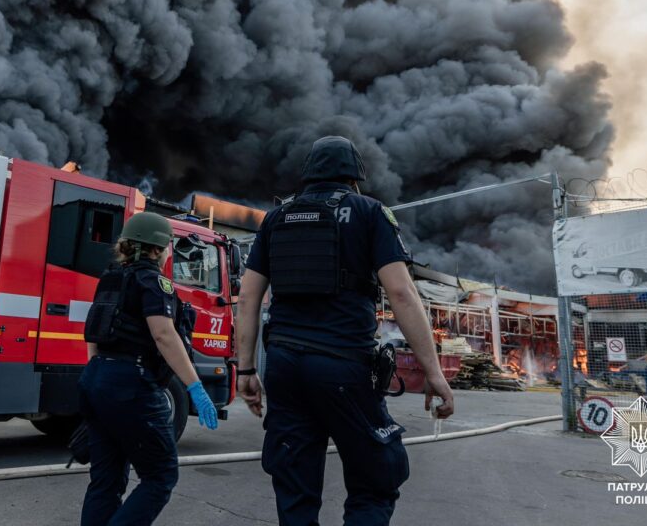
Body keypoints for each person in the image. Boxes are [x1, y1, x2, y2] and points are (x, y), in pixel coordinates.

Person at [235, 135, 455, 526]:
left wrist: (247, 371)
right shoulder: (370, 212)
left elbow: (248, 299)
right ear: (356, 177)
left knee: (294, 490)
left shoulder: (276, 218)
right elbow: (402, 294)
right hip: (343, 366)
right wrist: (434, 373)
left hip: (284, 368)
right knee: (374, 480)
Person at [80, 211, 219, 526]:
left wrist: (102, 387)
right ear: (158, 248)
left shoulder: (110, 278)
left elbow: (94, 333)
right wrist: (195, 386)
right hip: (132, 384)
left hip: (96, 377)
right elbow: (164, 335)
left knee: (106, 479)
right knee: (160, 476)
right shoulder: (155, 282)